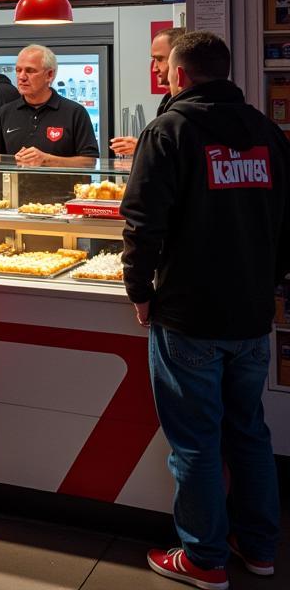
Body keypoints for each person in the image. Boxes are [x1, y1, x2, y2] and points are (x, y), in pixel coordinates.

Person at [122, 31, 288, 588]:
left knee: (195, 440)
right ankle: (260, 547)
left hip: (189, 314)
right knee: (248, 431)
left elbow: (143, 224)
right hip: (250, 314)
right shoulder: (267, 132)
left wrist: (138, 290)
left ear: (180, 75)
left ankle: (203, 557)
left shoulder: (169, 130)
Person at [0, 45, 98, 166]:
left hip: (66, 195)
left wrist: (46, 160)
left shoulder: (75, 112)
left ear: (49, 75)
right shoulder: (4, 113)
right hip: (15, 193)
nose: (22, 77)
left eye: (30, 71)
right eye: (18, 70)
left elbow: (90, 162)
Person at [110, 26, 185, 157]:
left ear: (177, 60)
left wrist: (142, 148)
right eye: (153, 60)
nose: (154, 68)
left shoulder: (188, 110)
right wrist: (143, 146)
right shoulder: (168, 102)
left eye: (160, 59)